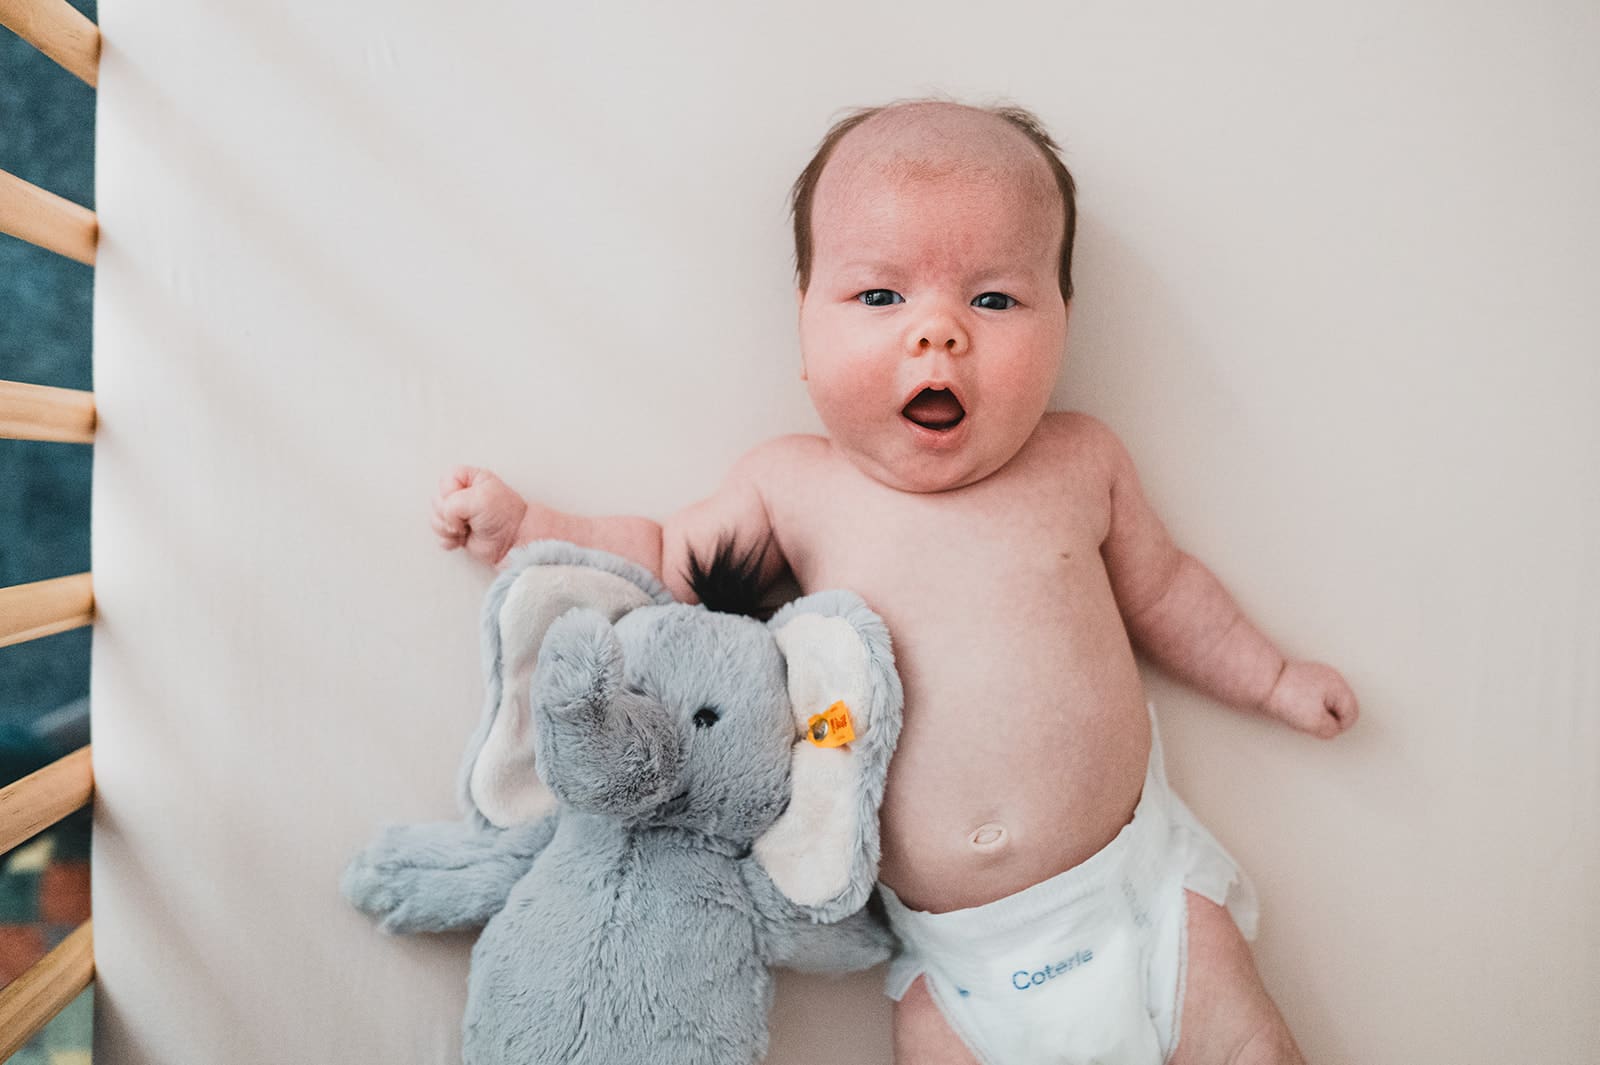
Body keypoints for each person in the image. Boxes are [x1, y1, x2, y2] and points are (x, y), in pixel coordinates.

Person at [430, 99, 1358, 1065]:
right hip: (951, 964)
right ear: (803, 323)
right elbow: (664, 558)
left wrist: (1274, 678)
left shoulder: (1081, 463)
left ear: (1063, 322)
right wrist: (530, 528)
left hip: (1141, 899)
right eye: (880, 298)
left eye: (993, 300)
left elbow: (1168, 596)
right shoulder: (792, 484)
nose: (939, 335)